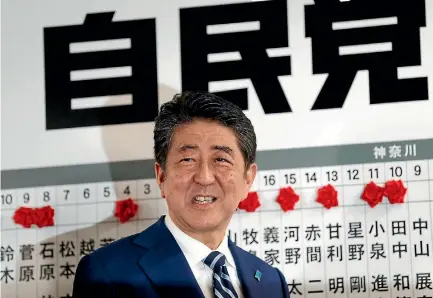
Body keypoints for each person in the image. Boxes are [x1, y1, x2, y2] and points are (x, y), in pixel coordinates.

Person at [72, 91, 290, 298]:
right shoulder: (107, 273)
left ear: (248, 179)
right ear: (161, 177)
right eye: (188, 159)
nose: (204, 177)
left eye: (221, 159)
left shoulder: (271, 281)